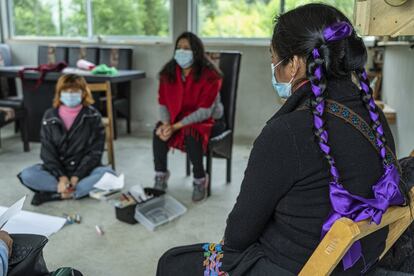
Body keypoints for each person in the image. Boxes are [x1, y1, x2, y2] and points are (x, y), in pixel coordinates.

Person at [156, 4, 408, 275]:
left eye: (274, 58)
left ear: (295, 64)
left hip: (295, 266)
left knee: (172, 262)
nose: (273, 68)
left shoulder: (286, 133)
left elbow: (238, 237)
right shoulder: (373, 115)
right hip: (358, 262)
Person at [18, 74, 115, 206]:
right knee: (28, 175)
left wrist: (77, 177)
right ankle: (72, 192)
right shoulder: (49, 116)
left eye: (75, 90)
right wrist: (61, 177)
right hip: (57, 172)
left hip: (84, 172)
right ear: (59, 93)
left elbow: (95, 152)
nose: (70, 94)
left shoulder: (93, 116)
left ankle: (57, 194)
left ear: (83, 93)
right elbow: (47, 152)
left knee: (108, 175)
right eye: (66, 90)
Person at [153, 32, 224, 202]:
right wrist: (166, 124)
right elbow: (163, 103)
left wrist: (175, 126)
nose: (181, 51)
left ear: (196, 51)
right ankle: (160, 175)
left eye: (186, 48)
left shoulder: (210, 75)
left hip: (208, 120)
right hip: (178, 118)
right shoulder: (168, 73)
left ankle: (200, 179)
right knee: (159, 131)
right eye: (178, 48)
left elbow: (205, 111)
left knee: (192, 133)